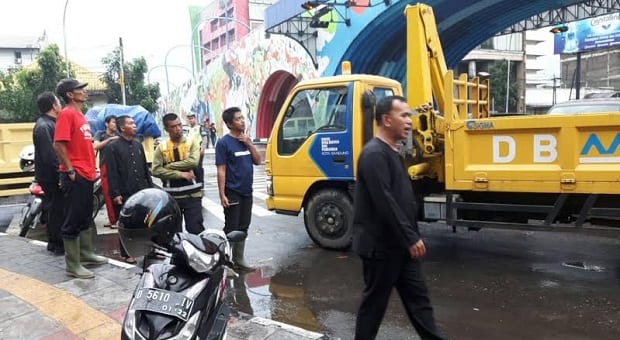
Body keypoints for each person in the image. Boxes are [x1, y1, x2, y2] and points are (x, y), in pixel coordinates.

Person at [352, 96, 445, 340]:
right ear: (386, 120)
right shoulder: (373, 155)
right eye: (403, 115)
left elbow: (399, 200)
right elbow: (386, 202)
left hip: (400, 247)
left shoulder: (393, 152)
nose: (409, 121)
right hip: (381, 248)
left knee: (420, 303)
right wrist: (411, 237)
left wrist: (409, 238)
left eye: (409, 115)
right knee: (373, 307)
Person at [53, 79, 107, 279]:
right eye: (80, 89)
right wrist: (69, 170)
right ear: (70, 94)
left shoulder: (80, 115)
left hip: (85, 173)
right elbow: (58, 145)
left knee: (85, 215)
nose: (84, 92)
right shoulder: (66, 114)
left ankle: (85, 254)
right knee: (73, 218)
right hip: (75, 174)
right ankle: (72, 265)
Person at [216, 107, 261, 271]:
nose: (242, 121)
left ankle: (239, 259)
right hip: (232, 191)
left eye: (242, 118)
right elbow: (221, 169)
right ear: (229, 123)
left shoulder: (246, 141)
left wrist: (249, 144)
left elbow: (258, 161)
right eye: (238, 119)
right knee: (231, 229)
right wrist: (222, 194)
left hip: (247, 191)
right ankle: (226, 263)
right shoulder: (223, 143)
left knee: (243, 226)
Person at [106, 115, 152, 264]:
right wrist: (116, 193)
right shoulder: (113, 147)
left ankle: (149, 250)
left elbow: (145, 169)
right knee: (125, 224)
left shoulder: (138, 145)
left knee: (146, 221)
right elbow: (111, 172)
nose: (134, 125)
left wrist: (150, 189)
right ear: (122, 128)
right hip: (124, 192)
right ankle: (127, 253)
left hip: (142, 190)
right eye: (131, 123)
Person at [152, 113, 204, 234]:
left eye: (179, 125)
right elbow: (156, 170)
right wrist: (180, 174)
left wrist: (169, 166)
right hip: (171, 197)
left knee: (195, 230)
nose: (178, 129)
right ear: (166, 129)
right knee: (174, 233)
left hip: (193, 196)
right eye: (174, 126)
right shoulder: (162, 147)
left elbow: (193, 162)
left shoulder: (191, 142)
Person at [32, 91, 64, 255]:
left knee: (57, 208)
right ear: (53, 105)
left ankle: (55, 242)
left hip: (52, 174)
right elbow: (49, 155)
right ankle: (56, 243)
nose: (60, 105)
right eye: (58, 102)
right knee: (56, 209)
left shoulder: (51, 123)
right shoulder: (44, 126)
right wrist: (60, 174)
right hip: (51, 176)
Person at [93, 115, 119, 228]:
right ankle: (112, 219)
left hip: (118, 167)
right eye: (113, 122)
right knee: (107, 193)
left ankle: (118, 219)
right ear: (106, 123)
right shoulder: (101, 134)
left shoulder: (119, 135)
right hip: (105, 166)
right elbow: (96, 146)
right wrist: (109, 140)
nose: (115, 125)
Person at [186, 112, 205, 185]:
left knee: (198, 168)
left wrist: (203, 148)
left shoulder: (199, 127)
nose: (190, 120)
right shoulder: (188, 129)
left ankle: (200, 183)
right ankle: (196, 183)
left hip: (198, 150)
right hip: (190, 152)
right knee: (192, 167)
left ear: (195, 119)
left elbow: (204, 138)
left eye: (192, 118)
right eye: (189, 119)